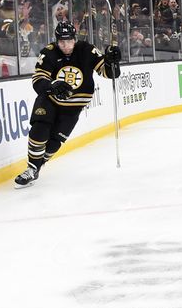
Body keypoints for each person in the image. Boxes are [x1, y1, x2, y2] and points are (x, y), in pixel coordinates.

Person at [13, 21, 121, 188]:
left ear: (74, 39)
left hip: (73, 107)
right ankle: (31, 169)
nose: (66, 45)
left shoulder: (87, 50)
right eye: (62, 42)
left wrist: (112, 61)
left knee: (54, 142)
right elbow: (38, 80)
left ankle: (36, 166)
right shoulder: (48, 53)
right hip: (50, 100)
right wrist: (52, 86)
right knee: (39, 129)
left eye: (69, 41)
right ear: (57, 41)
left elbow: (108, 73)